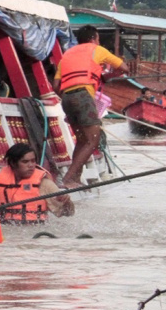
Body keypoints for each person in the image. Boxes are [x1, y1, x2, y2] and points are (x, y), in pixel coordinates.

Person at [53, 25, 129, 189]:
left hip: (67, 98)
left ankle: (75, 179)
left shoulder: (67, 54)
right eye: (98, 39)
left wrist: (70, 96)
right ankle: (68, 179)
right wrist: (107, 76)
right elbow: (124, 68)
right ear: (94, 38)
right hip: (84, 96)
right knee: (93, 140)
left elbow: (56, 86)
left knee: (82, 140)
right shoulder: (97, 49)